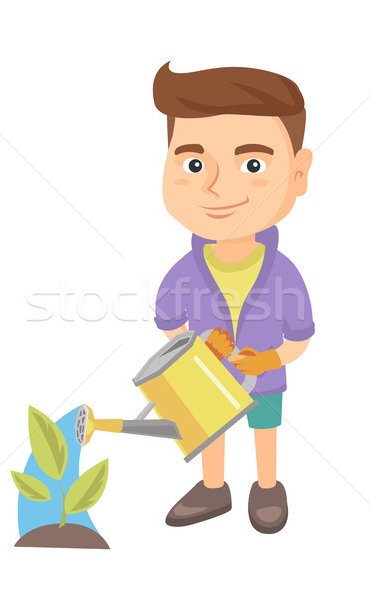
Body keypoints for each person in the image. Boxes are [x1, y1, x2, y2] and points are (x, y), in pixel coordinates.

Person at [153, 62, 314, 533]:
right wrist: (191, 355)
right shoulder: (184, 273)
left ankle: (267, 488)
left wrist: (269, 359)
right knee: (211, 432)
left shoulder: (283, 276)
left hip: (264, 378)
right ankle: (213, 487)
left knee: (265, 432)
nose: (216, 187)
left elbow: (300, 338)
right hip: (207, 381)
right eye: (194, 164)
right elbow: (169, 320)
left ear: (298, 174)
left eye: (253, 165)